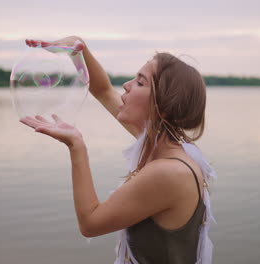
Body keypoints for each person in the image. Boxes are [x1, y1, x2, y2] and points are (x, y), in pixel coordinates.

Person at [21, 36, 216, 264]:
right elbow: (103, 90)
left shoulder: (169, 172)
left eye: (140, 83)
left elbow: (90, 223)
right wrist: (78, 49)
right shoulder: (165, 143)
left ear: (163, 106)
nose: (126, 85)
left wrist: (77, 146)